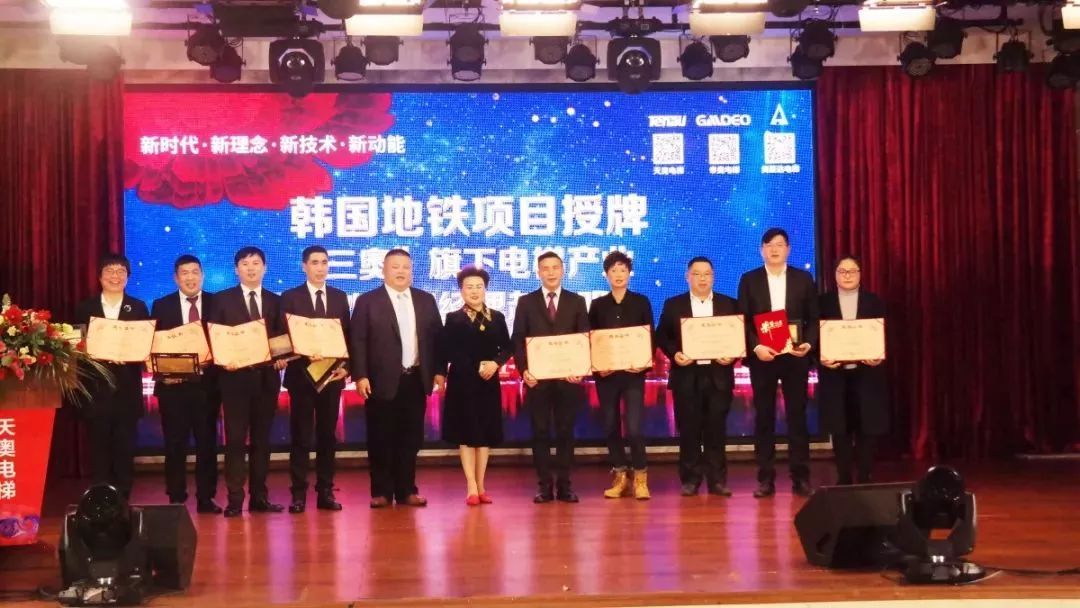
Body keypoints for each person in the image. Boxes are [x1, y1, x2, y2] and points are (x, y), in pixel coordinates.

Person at [350, 249, 445, 509]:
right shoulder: (368, 301)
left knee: (410, 438)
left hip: (415, 378)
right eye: (395, 267)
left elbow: (438, 339)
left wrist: (439, 370)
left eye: (406, 267)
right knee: (380, 437)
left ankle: (407, 490)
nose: (401, 271)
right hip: (379, 381)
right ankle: (381, 491)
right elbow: (358, 341)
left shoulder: (425, 300)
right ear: (383, 270)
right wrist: (360, 375)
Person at [206, 246, 288, 518]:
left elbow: (282, 338)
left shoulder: (276, 301)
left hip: (266, 380)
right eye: (245, 263)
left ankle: (259, 497)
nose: (251, 268)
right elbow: (214, 336)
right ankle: (234, 499)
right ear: (236, 269)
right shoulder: (221, 300)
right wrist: (223, 359)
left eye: (256, 263)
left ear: (265, 268)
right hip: (234, 380)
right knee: (235, 441)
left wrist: (282, 357)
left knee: (262, 441)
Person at [737, 228, 819, 498]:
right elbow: (743, 319)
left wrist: (808, 344)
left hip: (795, 357)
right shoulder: (749, 280)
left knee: (797, 417)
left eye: (780, 244)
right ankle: (765, 479)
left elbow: (813, 319)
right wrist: (756, 346)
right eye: (769, 245)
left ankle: (801, 478)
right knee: (764, 418)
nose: (774, 249)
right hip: (764, 358)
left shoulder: (803, 279)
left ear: (788, 249)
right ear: (761, 250)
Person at [657, 256, 739, 497]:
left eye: (707, 274)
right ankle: (690, 479)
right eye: (697, 274)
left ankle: (717, 480)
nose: (702, 279)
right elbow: (662, 336)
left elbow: (739, 335)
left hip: (718, 375)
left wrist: (732, 355)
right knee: (689, 430)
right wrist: (675, 354)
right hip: (687, 375)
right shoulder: (674, 304)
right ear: (687, 277)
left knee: (716, 430)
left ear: (713, 277)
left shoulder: (729, 304)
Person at [511, 252, 589, 504]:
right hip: (538, 380)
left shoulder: (577, 301)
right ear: (538, 273)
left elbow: (583, 337)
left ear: (563, 270)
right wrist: (524, 370)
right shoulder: (526, 302)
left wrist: (580, 368)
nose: (551, 272)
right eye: (545, 268)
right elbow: (518, 339)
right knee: (540, 433)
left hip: (568, 380)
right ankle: (544, 486)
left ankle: (565, 486)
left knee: (566, 433)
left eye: (555, 267)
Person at [72, 253, 150, 500]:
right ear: (100, 276)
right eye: (110, 271)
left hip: (127, 389)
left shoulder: (138, 307)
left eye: (121, 272)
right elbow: (76, 347)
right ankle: (100, 499)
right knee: (99, 449)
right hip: (96, 391)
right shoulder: (85, 308)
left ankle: (123, 500)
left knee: (124, 449)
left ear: (128, 277)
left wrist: (130, 353)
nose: (115, 276)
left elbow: (145, 344)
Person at [280, 246, 351, 514]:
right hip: (301, 377)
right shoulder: (290, 297)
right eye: (314, 263)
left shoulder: (339, 297)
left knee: (327, 436)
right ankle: (298, 494)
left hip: (331, 377)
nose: (320, 268)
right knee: (300, 436)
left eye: (324, 262)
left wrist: (347, 367)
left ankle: (325, 491)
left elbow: (348, 336)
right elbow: (283, 336)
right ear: (304, 266)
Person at [149, 254, 222, 514]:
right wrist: (164, 373)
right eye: (184, 273)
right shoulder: (162, 305)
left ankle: (206, 498)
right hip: (173, 387)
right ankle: (176, 498)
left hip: (207, 387)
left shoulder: (216, 303)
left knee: (207, 445)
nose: (190, 278)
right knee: (174, 444)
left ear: (202, 275)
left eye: (195, 272)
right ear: (176, 277)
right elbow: (154, 344)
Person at [439, 267, 511, 506]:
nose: (474, 291)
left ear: (486, 289)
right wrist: (474, 367)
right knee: (467, 434)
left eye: (479, 286)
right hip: (463, 383)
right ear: (461, 290)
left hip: (489, 382)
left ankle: (481, 485)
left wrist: (496, 363)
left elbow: (507, 347)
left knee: (485, 435)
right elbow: (449, 351)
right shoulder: (453, 318)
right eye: (469, 287)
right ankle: (470, 486)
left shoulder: (497, 317)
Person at [589, 251, 654, 500]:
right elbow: (591, 339)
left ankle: (640, 477)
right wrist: (598, 365)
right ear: (606, 275)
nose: (618, 275)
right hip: (607, 376)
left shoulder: (641, 302)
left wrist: (643, 362)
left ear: (629, 273)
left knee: (635, 428)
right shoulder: (597, 305)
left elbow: (649, 336)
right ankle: (620, 476)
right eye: (613, 270)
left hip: (633, 375)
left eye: (623, 270)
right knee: (610, 426)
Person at [817, 255, 888, 485]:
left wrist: (878, 355)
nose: (847, 275)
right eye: (842, 271)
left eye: (852, 271)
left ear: (860, 274)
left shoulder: (873, 301)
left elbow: (883, 334)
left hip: (866, 374)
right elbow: (815, 336)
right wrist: (821, 357)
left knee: (867, 425)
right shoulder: (822, 303)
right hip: (835, 374)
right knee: (840, 427)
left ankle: (865, 474)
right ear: (835, 275)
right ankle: (844, 476)